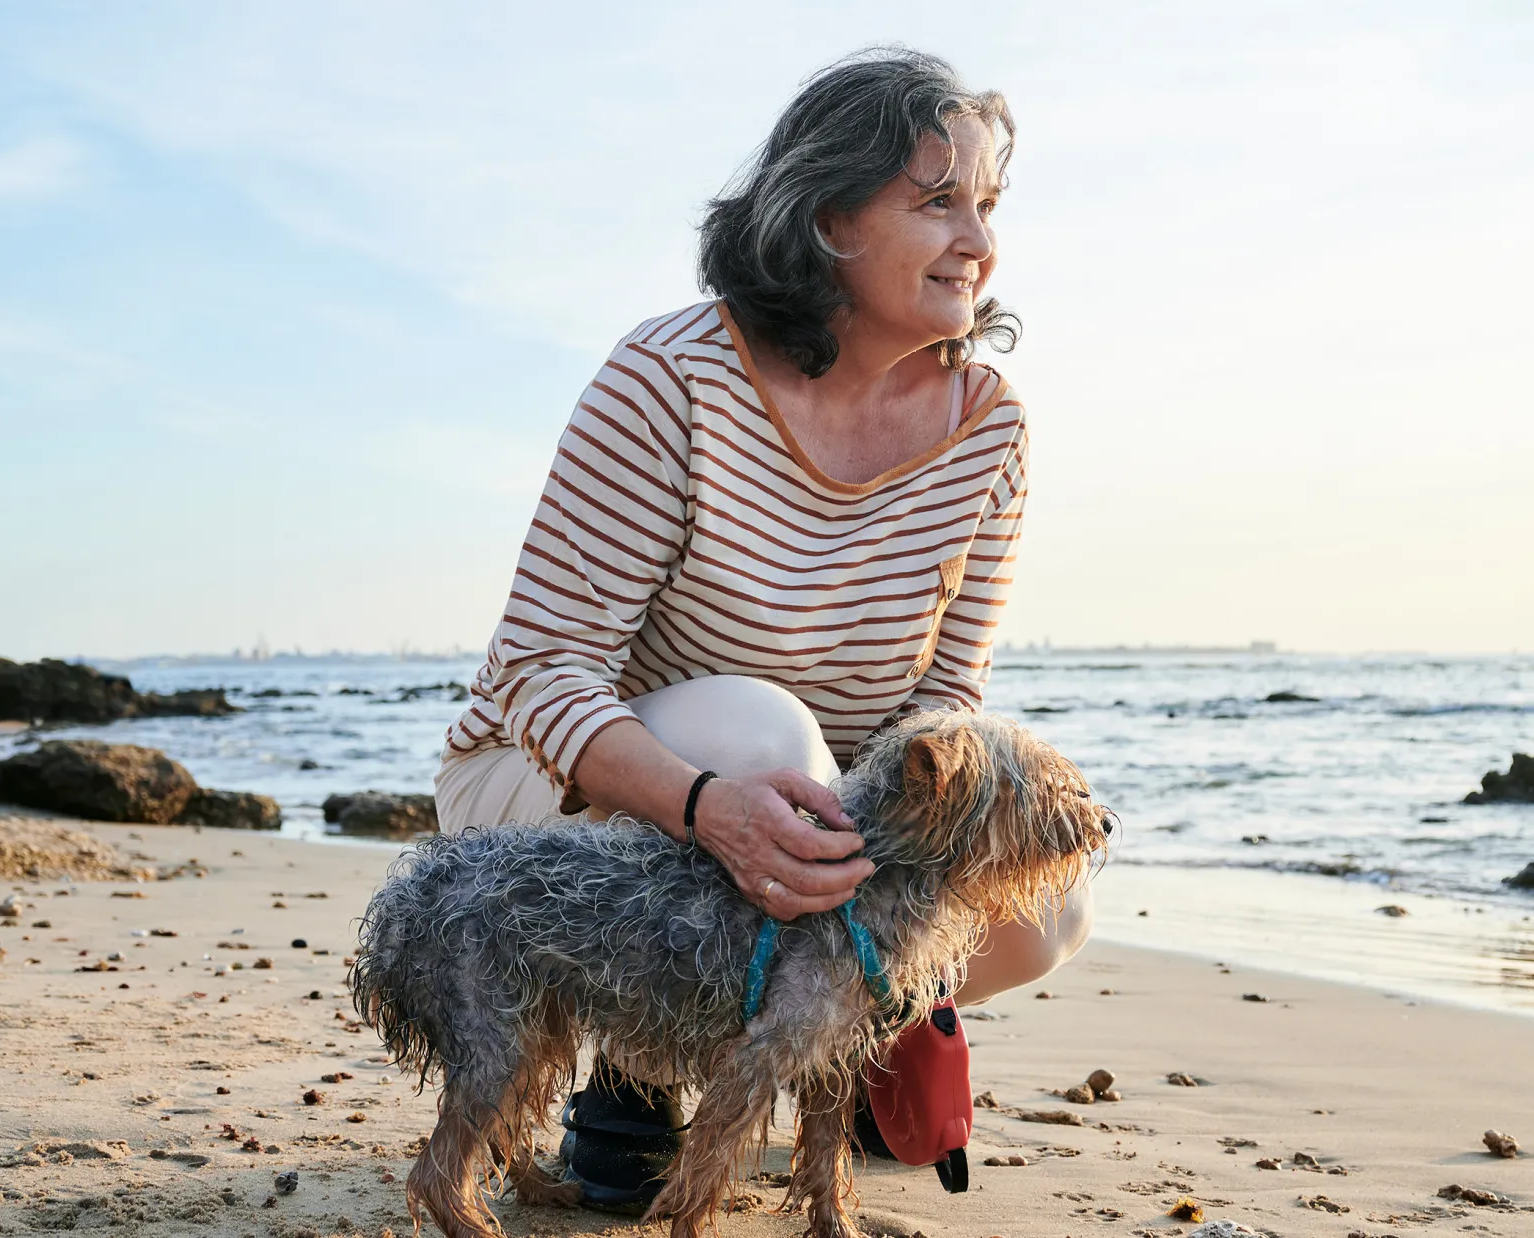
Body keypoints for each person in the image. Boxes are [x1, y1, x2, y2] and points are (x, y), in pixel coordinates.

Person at [434, 47, 1091, 1211]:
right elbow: (540, 671)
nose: (978, 242)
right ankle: (631, 1050)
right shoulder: (670, 377)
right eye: (937, 201)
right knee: (761, 732)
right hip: (555, 798)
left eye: (987, 206)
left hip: (808, 812)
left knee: (1045, 904)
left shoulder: (990, 429)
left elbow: (945, 705)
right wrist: (704, 806)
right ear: (828, 216)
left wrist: (893, 883)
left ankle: (814, 1032)